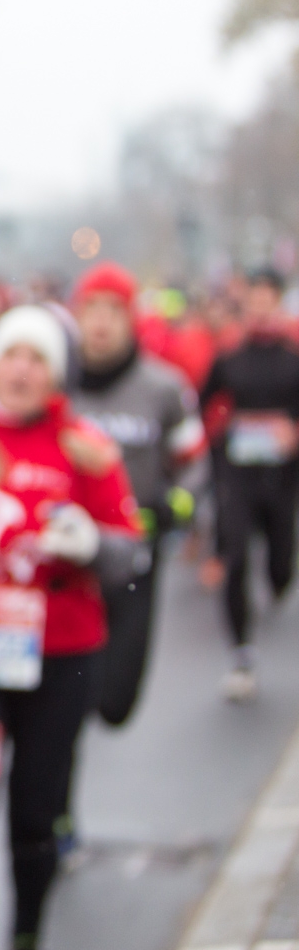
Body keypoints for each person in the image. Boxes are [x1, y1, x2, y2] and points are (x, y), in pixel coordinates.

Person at [0, 306, 144, 950]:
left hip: (61, 654)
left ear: (55, 375)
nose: (21, 369)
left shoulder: (86, 446)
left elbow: (130, 552)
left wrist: (93, 545)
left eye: (37, 358)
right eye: (11, 355)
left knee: (33, 816)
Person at [67, 263, 203, 724]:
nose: (101, 322)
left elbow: (195, 462)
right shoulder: (53, 383)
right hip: (65, 553)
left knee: (116, 701)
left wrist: (175, 507)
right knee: (68, 694)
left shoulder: (164, 387)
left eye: (114, 311)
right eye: (92, 309)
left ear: (132, 319)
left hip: (135, 548)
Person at [200, 268, 299, 701]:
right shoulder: (230, 358)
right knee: (236, 555)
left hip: (281, 473)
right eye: (253, 303)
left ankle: (280, 579)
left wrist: (292, 430)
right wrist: (221, 430)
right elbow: (203, 404)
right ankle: (241, 655)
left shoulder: (293, 359)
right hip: (238, 470)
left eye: (267, 302)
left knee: (280, 558)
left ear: (278, 304)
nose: (260, 311)